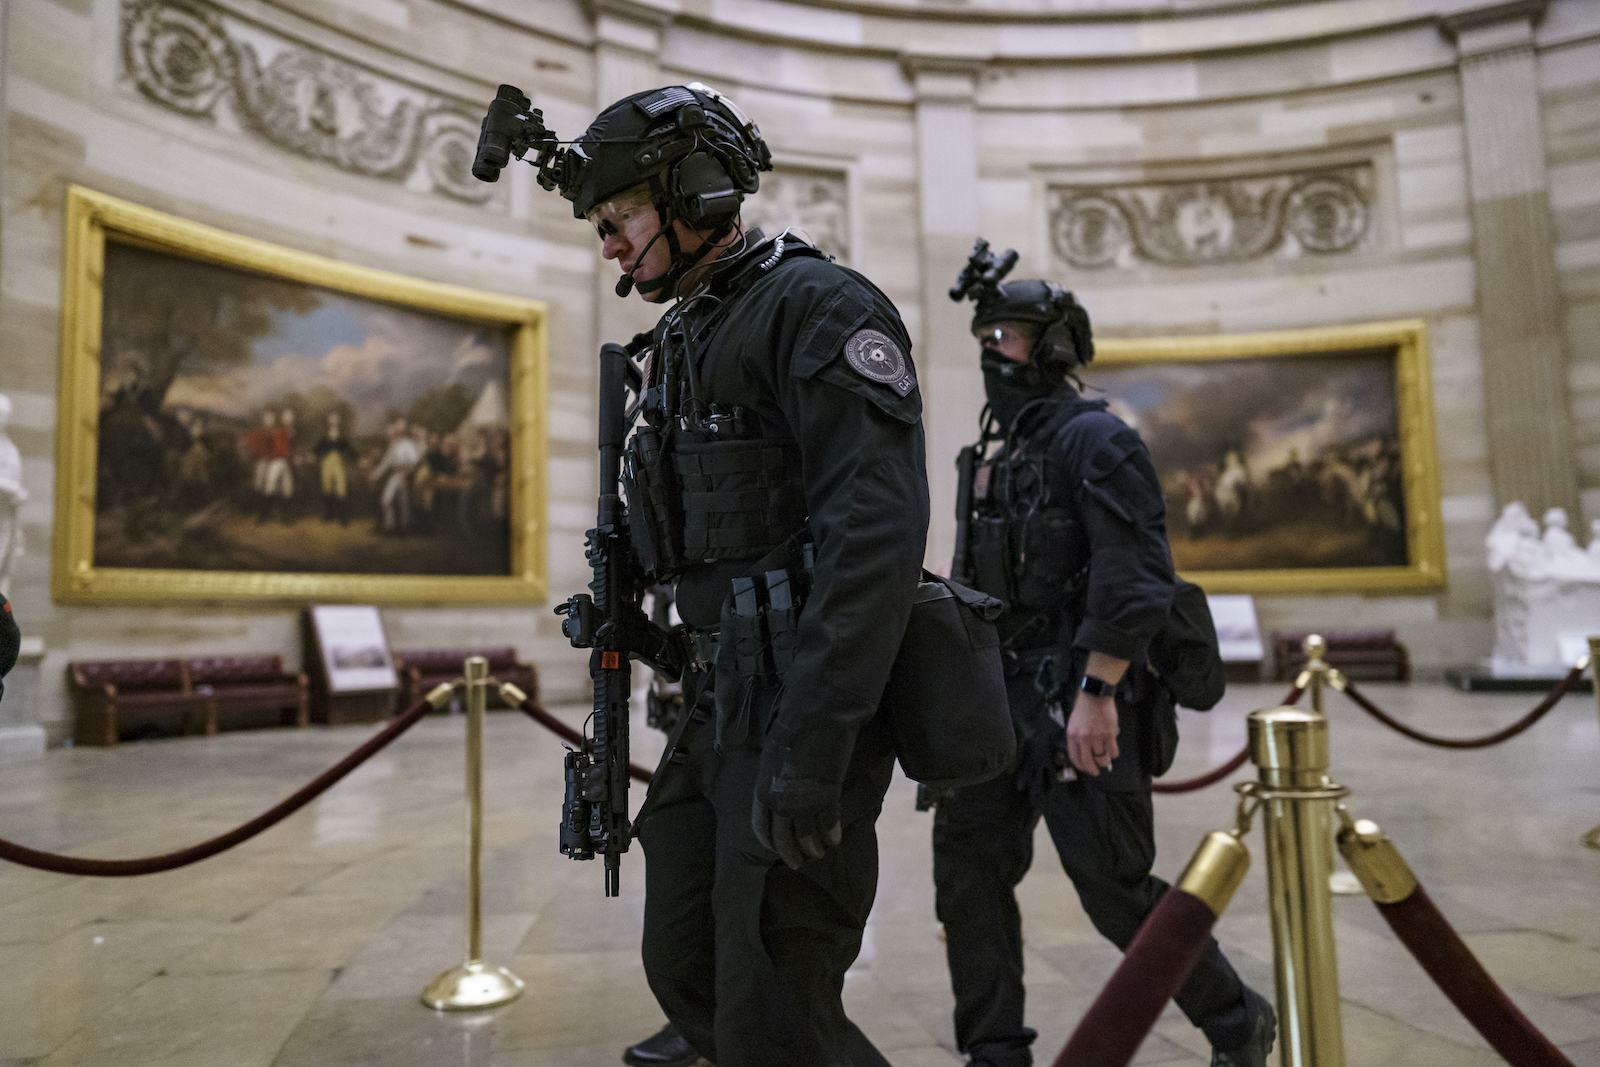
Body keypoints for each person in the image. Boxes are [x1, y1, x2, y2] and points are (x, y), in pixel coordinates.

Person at [489, 82, 929, 1067]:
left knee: (773, 981)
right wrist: (629, 620)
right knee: (686, 956)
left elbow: (876, 536)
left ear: (690, 192)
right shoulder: (690, 331)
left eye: (616, 219)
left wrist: (815, 743)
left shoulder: (817, 305)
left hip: (794, 705)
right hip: (709, 702)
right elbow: (711, 533)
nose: (607, 245)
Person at [934, 247, 1276, 1067]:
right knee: (969, 881)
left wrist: (1097, 691)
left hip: (1077, 694)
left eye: (1007, 336)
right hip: (993, 699)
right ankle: (994, 1050)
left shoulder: (1098, 442)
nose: (992, 351)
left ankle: (1238, 1020)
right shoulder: (989, 454)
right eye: (984, 335)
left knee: (1115, 887)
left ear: (1052, 347)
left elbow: (1135, 577)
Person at [313, 412, 357, 524]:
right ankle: (329, 515)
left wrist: (357, 458)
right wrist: (315, 455)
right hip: (326, 464)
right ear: (329, 421)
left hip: (338, 464)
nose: (334, 421)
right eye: (332, 419)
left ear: (338, 421)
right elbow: (317, 449)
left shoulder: (342, 437)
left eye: (336, 419)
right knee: (327, 487)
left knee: (341, 487)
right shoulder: (324, 436)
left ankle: (342, 517)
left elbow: (350, 449)